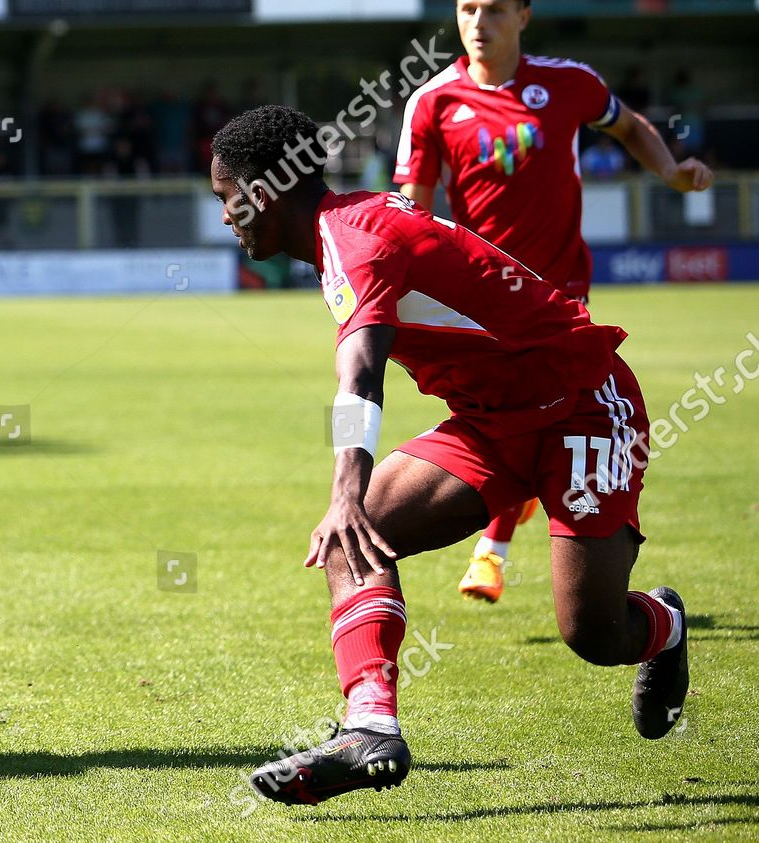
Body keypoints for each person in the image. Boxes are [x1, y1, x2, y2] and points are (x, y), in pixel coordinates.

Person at [209, 105, 690, 805]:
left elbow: (360, 372)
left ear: (262, 194)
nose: (225, 215)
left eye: (226, 198)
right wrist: (351, 501)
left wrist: (344, 487)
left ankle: (665, 625)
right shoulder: (344, 227)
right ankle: (369, 727)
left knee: (592, 630)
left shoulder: (353, 238)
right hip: (492, 422)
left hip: (583, 400)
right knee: (358, 535)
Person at [394, 0, 713, 602]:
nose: (478, 23)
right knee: (514, 413)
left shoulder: (569, 83)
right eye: (466, 9)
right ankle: (507, 532)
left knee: (543, 409)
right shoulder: (433, 102)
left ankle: (494, 549)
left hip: (562, 292)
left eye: (492, 10)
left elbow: (629, 126)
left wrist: (670, 173)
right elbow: (414, 208)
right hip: (485, 298)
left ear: (523, 15)